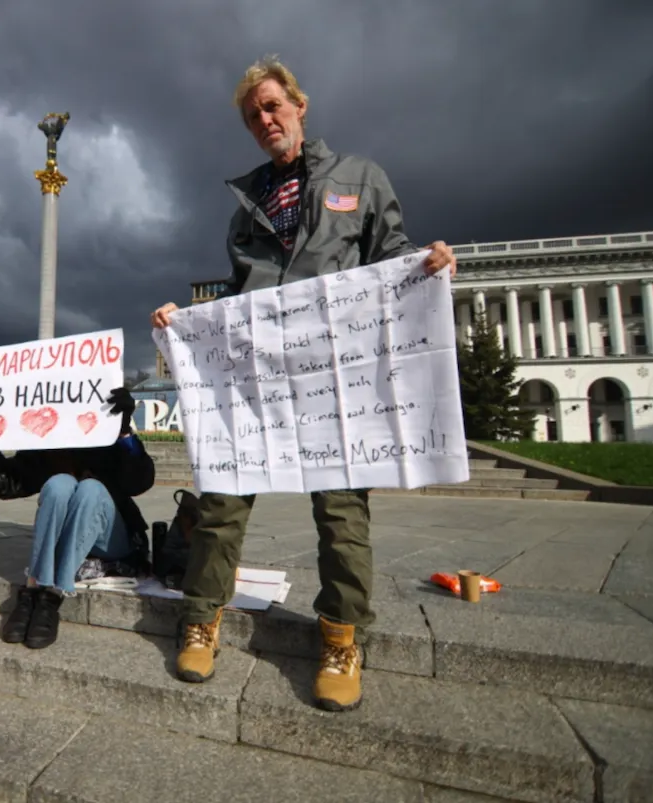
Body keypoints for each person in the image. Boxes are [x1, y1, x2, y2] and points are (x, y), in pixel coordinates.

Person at [150, 56, 457, 712]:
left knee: (342, 513)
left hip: (334, 380)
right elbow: (237, 297)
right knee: (222, 500)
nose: (265, 120)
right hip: (260, 377)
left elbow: (391, 261)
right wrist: (187, 323)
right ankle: (201, 619)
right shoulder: (247, 204)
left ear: (299, 104)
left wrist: (430, 266)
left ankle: (342, 638)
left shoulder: (360, 178)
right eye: (252, 115)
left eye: (272, 106)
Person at [0, 388, 154, 649]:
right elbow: (7, 483)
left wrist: (123, 433)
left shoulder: (106, 432)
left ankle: (52, 593)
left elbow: (140, 481)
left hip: (111, 537)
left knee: (90, 488)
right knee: (58, 484)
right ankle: (34, 589)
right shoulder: (49, 441)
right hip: (66, 531)